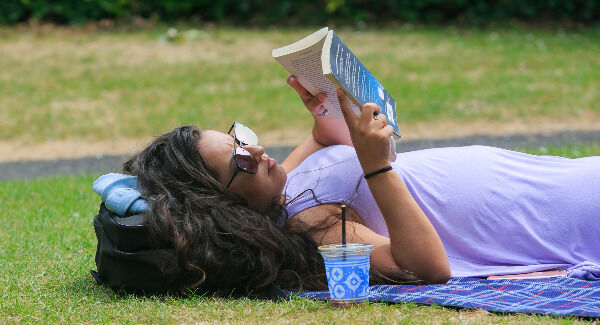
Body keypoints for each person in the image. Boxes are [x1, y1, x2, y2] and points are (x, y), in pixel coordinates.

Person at [108, 75, 600, 297]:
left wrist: (322, 107)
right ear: (231, 207)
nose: (256, 151)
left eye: (240, 138)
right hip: (553, 215)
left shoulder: (281, 184)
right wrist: (377, 166)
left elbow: (326, 139)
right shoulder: (310, 225)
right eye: (240, 159)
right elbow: (425, 266)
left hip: (546, 182)